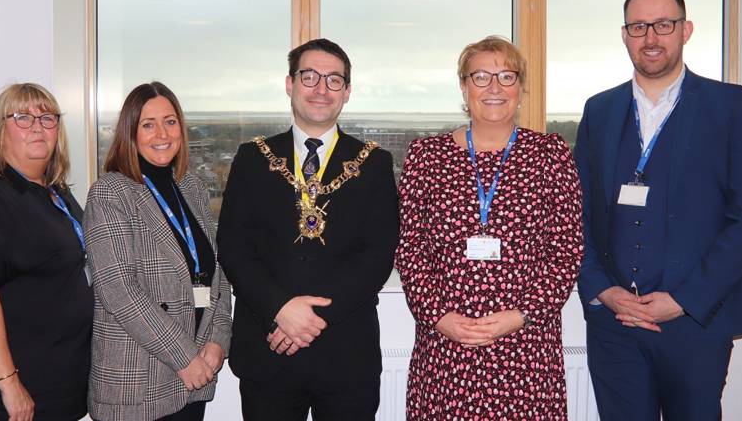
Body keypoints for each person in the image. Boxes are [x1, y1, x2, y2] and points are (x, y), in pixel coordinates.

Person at [575, 0, 742, 420]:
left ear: (686, 30)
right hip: (615, 325)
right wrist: (604, 291)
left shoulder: (733, 108)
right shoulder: (600, 110)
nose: (650, 38)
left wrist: (686, 299)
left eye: (663, 24)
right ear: (624, 34)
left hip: (694, 325)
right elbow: (578, 214)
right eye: (638, 27)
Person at [395, 36, 583, 420]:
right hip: (447, 347)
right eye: (480, 76)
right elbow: (408, 247)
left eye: (506, 76)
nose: (494, 88)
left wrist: (521, 314)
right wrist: (438, 316)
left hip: (525, 345)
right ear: (464, 87)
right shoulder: (426, 157)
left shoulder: (551, 154)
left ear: (521, 88)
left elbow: (567, 251)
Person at [216, 38, 399, 420]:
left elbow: (377, 256)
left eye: (334, 80)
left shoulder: (375, 164)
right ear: (290, 84)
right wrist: (280, 309)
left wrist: (310, 319)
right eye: (310, 76)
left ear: (347, 92)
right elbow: (234, 248)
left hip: (346, 354)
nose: (321, 89)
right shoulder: (252, 159)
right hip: (269, 350)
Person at [83, 82, 232, 421]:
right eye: (147, 125)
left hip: (195, 375)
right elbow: (117, 291)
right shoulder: (111, 192)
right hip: (138, 379)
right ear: (130, 134)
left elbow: (217, 273)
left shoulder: (191, 187)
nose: (161, 133)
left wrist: (218, 339)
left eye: (170, 121)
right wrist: (185, 358)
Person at [0, 83, 92, 420]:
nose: (38, 126)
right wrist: (9, 384)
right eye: (23, 117)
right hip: (8, 395)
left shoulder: (54, 191)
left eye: (47, 117)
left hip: (56, 382)